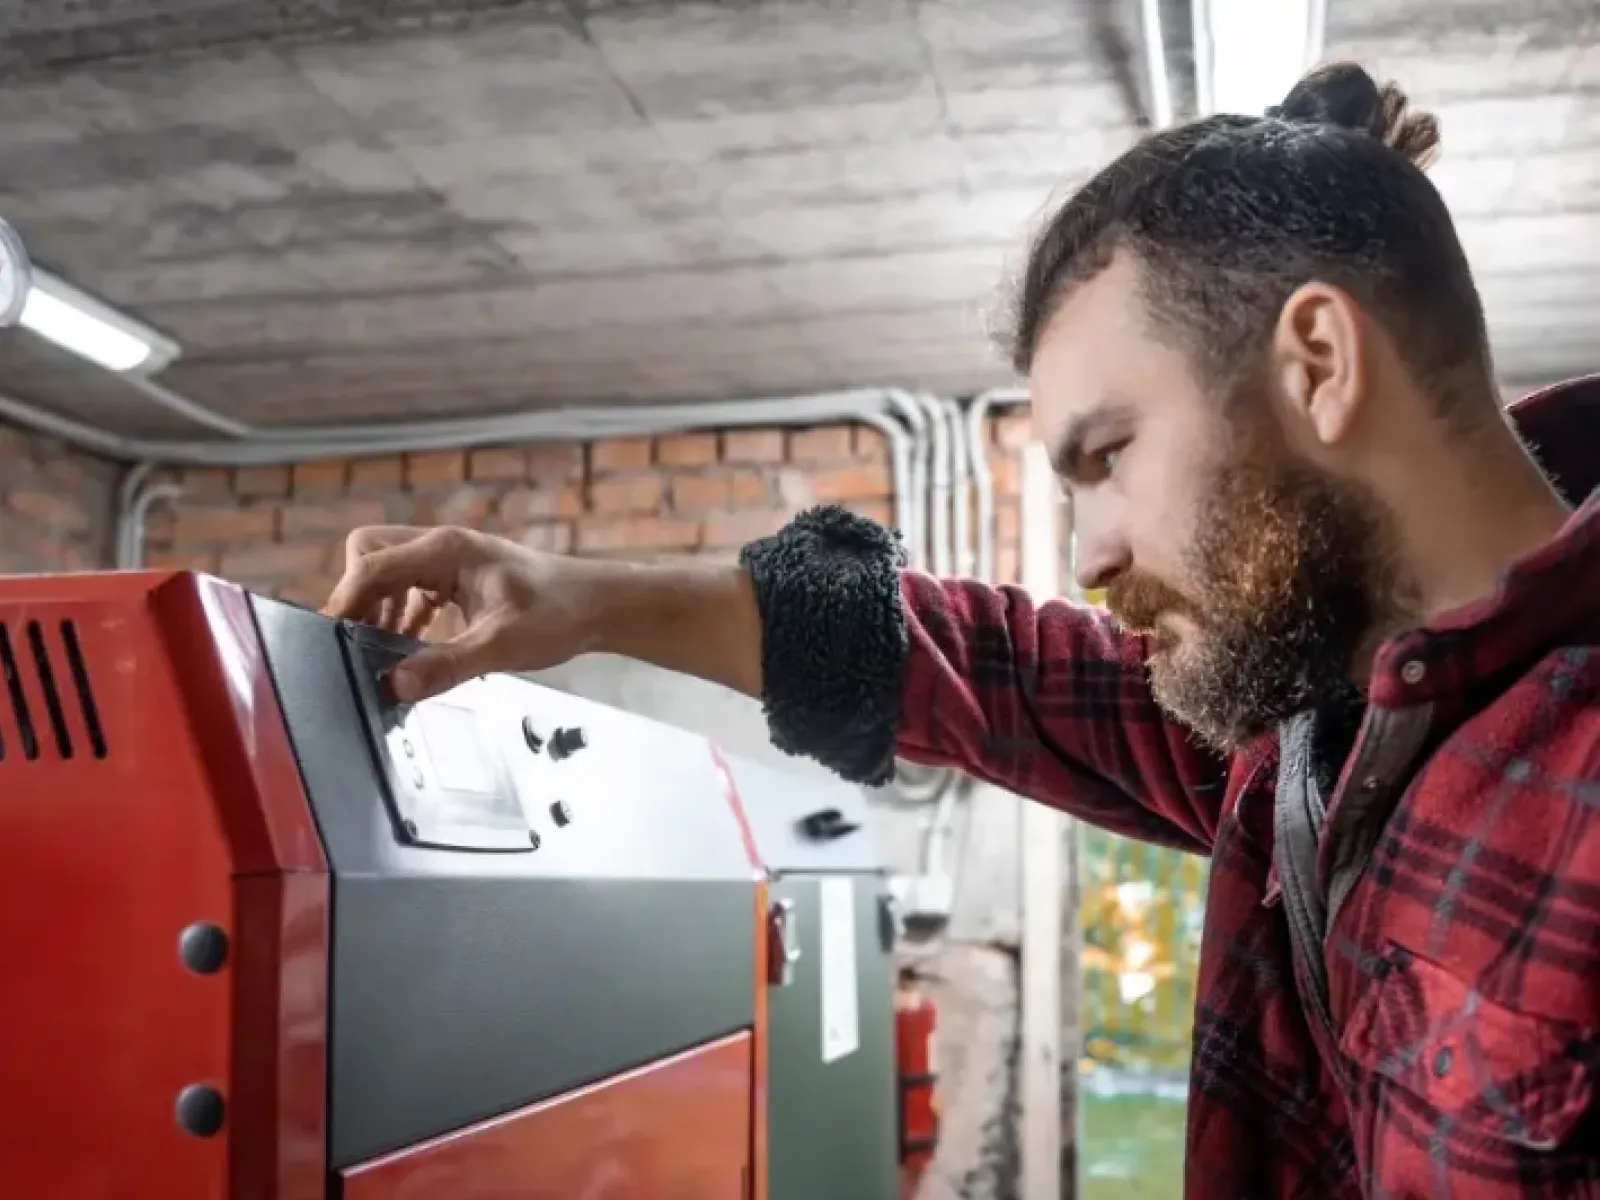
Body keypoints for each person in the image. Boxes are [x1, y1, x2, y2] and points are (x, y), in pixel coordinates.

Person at [323, 62, 1600, 1199]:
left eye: (1107, 454)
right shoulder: (1323, 730)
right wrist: (580, 599)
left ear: (1316, 363)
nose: (1090, 555)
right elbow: (1000, 672)